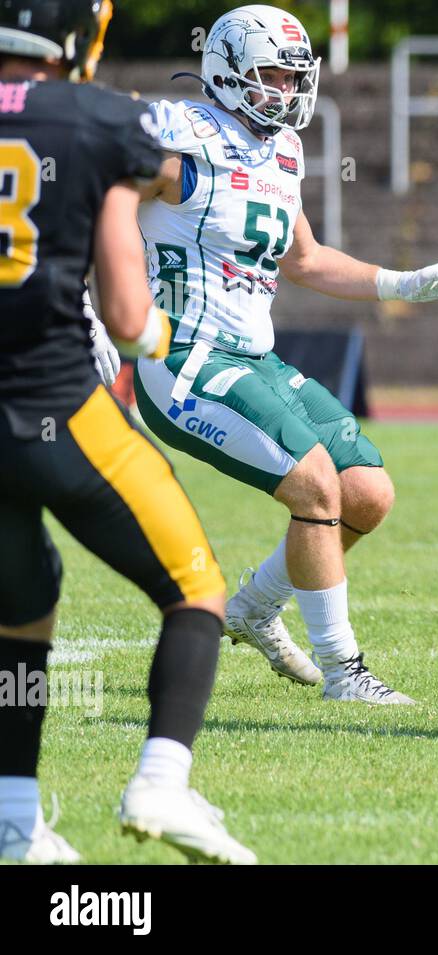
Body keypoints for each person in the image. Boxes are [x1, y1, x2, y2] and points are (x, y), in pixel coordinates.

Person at [127, 4, 438, 702]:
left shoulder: (281, 152)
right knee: (316, 484)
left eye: (293, 77)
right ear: (227, 72)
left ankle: (255, 608)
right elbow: (96, 194)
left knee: (367, 493)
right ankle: (345, 672)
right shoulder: (181, 140)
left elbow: (307, 258)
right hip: (185, 358)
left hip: (255, 357)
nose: (285, 91)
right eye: (268, 75)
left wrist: (402, 281)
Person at [0, 0, 253, 863]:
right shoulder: (105, 120)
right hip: (59, 407)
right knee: (196, 588)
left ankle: (14, 817)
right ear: (81, 35)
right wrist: (152, 339)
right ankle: (161, 781)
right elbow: (125, 308)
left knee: (21, 613)